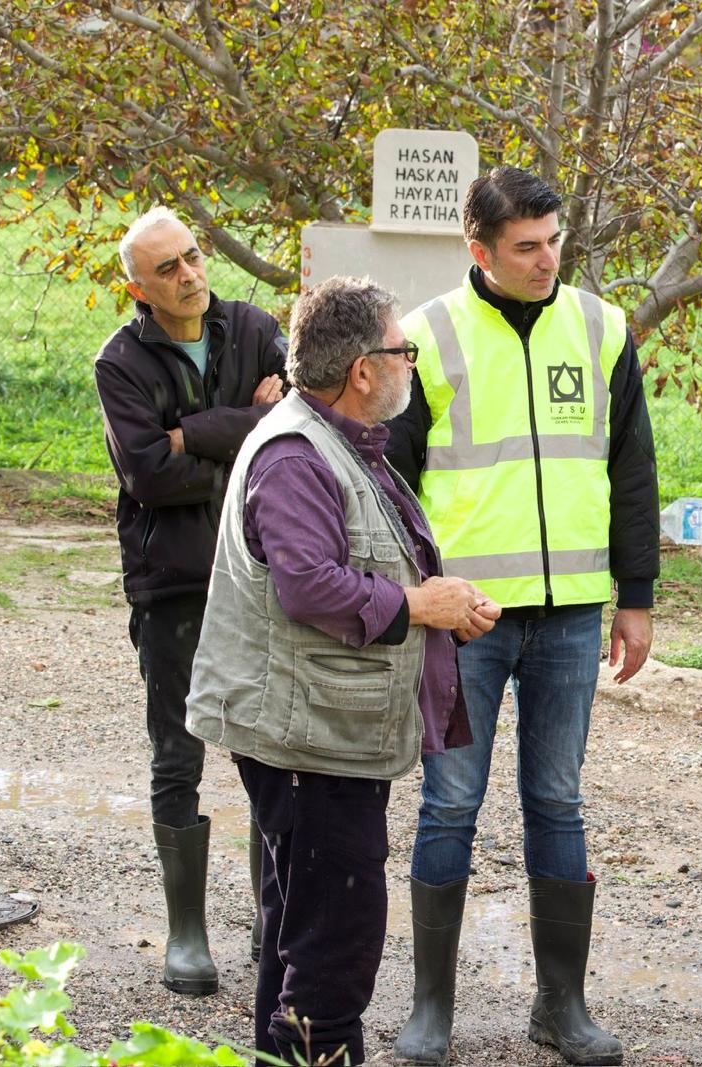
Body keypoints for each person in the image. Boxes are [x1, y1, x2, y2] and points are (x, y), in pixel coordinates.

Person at [386, 165, 659, 1067]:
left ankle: (562, 1006)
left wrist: (636, 597)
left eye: (554, 242)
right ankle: (431, 1010)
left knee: (557, 800)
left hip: (573, 612)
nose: (548, 261)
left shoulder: (603, 326)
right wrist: (423, 597)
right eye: (527, 247)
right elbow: (390, 486)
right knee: (449, 803)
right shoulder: (425, 336)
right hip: (465, 618)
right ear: (480, 250)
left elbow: (632, 468)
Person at [186, 275, 498, 1066]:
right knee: (333, 946)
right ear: (362, 370)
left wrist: (444, 606)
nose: (411, 362)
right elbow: (309, 586)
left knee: (301, 931)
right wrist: (420, 604)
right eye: (403, 349)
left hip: (323, 732)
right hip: (309, 741)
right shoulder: (295, 455)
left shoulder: (339, 441)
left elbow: (356, 562)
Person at [94, 205, 287, 995]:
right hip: (172, 583)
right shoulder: (119, 362)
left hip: (260, 574)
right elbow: (148, 474)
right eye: (168, 268)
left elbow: (294, 431)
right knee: (178, 755)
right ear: (138, 288)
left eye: (193, 256)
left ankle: (273, 918)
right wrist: (244, 430)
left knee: (268, 749)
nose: (189, 275)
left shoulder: (256, 329)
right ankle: (186, 933)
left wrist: (191, 433)